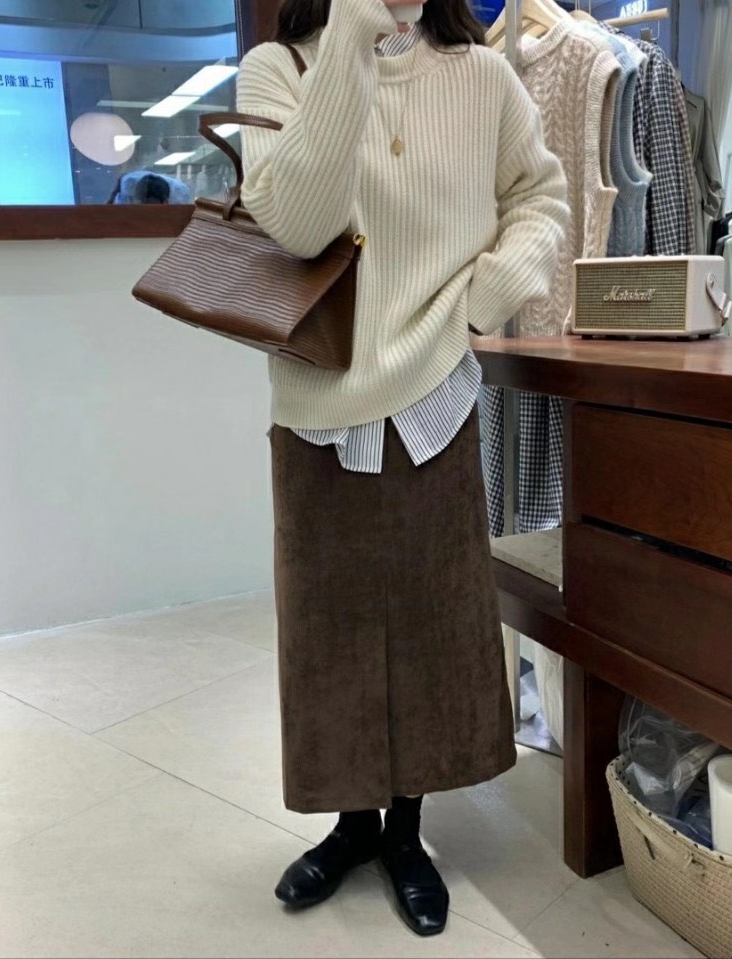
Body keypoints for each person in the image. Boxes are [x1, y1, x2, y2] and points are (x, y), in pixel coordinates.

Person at [236, 0, 568, 937]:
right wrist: (349, 35)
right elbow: (299, 226)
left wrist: (488, 295)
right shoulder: (278, 70)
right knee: (328, 626)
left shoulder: (483, 76)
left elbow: (541, 196)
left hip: (432, 389)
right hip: (317, 400)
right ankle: (352, 826)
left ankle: (408, 833)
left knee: (432, 621)